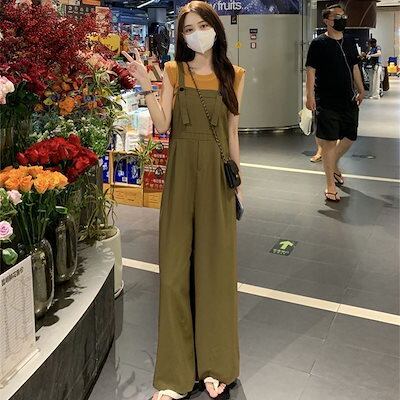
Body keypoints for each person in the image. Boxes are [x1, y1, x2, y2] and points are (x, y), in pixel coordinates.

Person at [122, 2, 245, 399]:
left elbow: (232, 133)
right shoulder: (174, 71)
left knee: (215, 270)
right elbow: (162, 124)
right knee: (174, 271)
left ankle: (216, 365)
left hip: (216, 178)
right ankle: (175, 374)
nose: (195, 34)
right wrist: (146, 83)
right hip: (179, 176)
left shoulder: (234, 75)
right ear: (181, 36)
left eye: (201, 26)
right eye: (188, 29)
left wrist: (238, 184)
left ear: (215, 28)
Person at [305, 4, 365, 202]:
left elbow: (354, 67)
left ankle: (333, 164)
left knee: (350, 136)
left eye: (343, 15)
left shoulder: (349, 41)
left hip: (348, 99)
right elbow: (311, 70)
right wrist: (309, 96)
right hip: (326, 101)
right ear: (327, 21)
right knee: (329, 142)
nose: (342, 19)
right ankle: (330, 185)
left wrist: (361, 89)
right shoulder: (319, 44)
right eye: (337, 16)